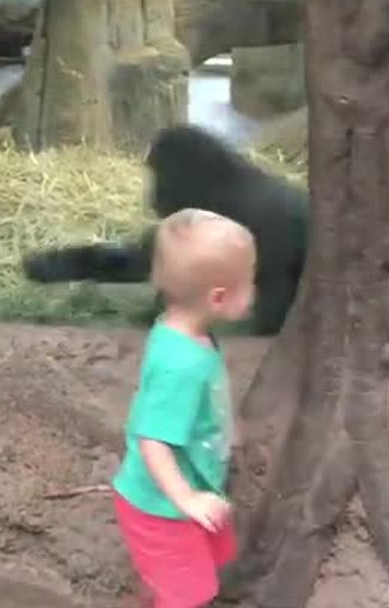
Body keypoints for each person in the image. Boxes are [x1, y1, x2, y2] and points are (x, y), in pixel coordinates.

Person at [111, 207, 257, 608]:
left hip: (187, 490)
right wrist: (186, 499)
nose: (256, 291)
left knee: (191, 581)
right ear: (219, 297)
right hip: (162, 505)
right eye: (250, 283)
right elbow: (152, 440)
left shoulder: (183, 330)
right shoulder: (181, 365)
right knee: (191, 595)